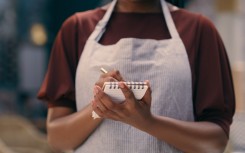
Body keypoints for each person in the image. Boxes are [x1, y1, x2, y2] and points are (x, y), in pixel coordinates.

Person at [37, 0, 235, 152]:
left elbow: (215, 142)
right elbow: (57, 137)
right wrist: (101, 107)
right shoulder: (76, 29)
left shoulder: (199, 30)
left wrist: (148, 122)